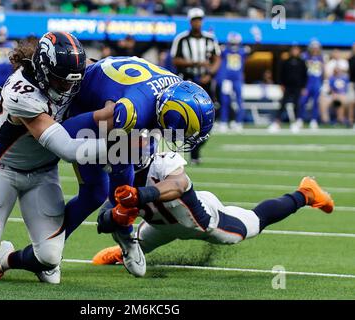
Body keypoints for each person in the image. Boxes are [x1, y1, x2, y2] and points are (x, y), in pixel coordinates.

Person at [0, 32, 107, 284]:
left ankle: (5, 259)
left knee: (49, 257)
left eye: (73, 80)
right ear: (45, 69)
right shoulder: (21, 91)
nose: (69, 87)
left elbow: (104, 71)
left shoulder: (73, 72)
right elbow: (68, 150)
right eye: (61, 81)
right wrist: (126, 145)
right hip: (5, 169)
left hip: (43, 174)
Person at [59, 56, 215, 277]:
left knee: (133, 160)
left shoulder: (171, 91)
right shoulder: (134, 110)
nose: (183, 137)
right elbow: (115, 140)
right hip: (86, 104)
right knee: (96, 192)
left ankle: (123, 230)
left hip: (124, 96)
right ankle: (54, 248)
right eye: (183, 130)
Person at [92, 152, 335, 277]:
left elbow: (178, 184)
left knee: (252, 224)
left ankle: (306, 193)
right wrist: (113, 218)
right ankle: (124, 249)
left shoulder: (163, 161)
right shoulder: (118, 174)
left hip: (202, 220)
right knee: (138, 239)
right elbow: (104, 215)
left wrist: (139, 195)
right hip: (160, 225)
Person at [170, 7, 221, 164]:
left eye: (200, 20)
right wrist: (195, 63)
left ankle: (195, 147)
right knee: (183, 114)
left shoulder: (210, 39)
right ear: (190, 22)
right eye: (195, 20)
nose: (198, 23)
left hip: (205, 82)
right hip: (187, 81)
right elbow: (175, 60)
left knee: (210, 115)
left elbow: (217, 58)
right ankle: (179, 150)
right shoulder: (182, 39)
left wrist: (210, 74)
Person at [268, 45, 308, 133]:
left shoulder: (301, 62)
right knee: (283, 104)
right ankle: (277, 122)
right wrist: (281, 84)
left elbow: (305, 76)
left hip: (298, 87)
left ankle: (296, 122)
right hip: (287, 86)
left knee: (296, 104)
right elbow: (280, 73)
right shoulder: (286, 61)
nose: (295, 52)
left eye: (296, 50)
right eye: (293, 50)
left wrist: (304, 87)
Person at [219, 32, 250, 133]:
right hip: (227, 79)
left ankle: (238, 122)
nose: (234, 46)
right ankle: (224, 121)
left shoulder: (242, 51)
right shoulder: (225, 51)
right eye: (232, 43)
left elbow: (254, 48)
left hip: (237, 79)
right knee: (225, 101)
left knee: (239, 101)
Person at [293, 40, 325, 131]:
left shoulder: (320, 58)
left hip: (317, 82)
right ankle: (300, 119)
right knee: (303, 101)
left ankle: (314, 120)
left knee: (316, 102)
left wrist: (323, 82)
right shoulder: (304, 57)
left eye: (316, 48)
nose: (315, 50)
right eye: (313, 48)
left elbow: (323, 71)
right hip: (307, 82)